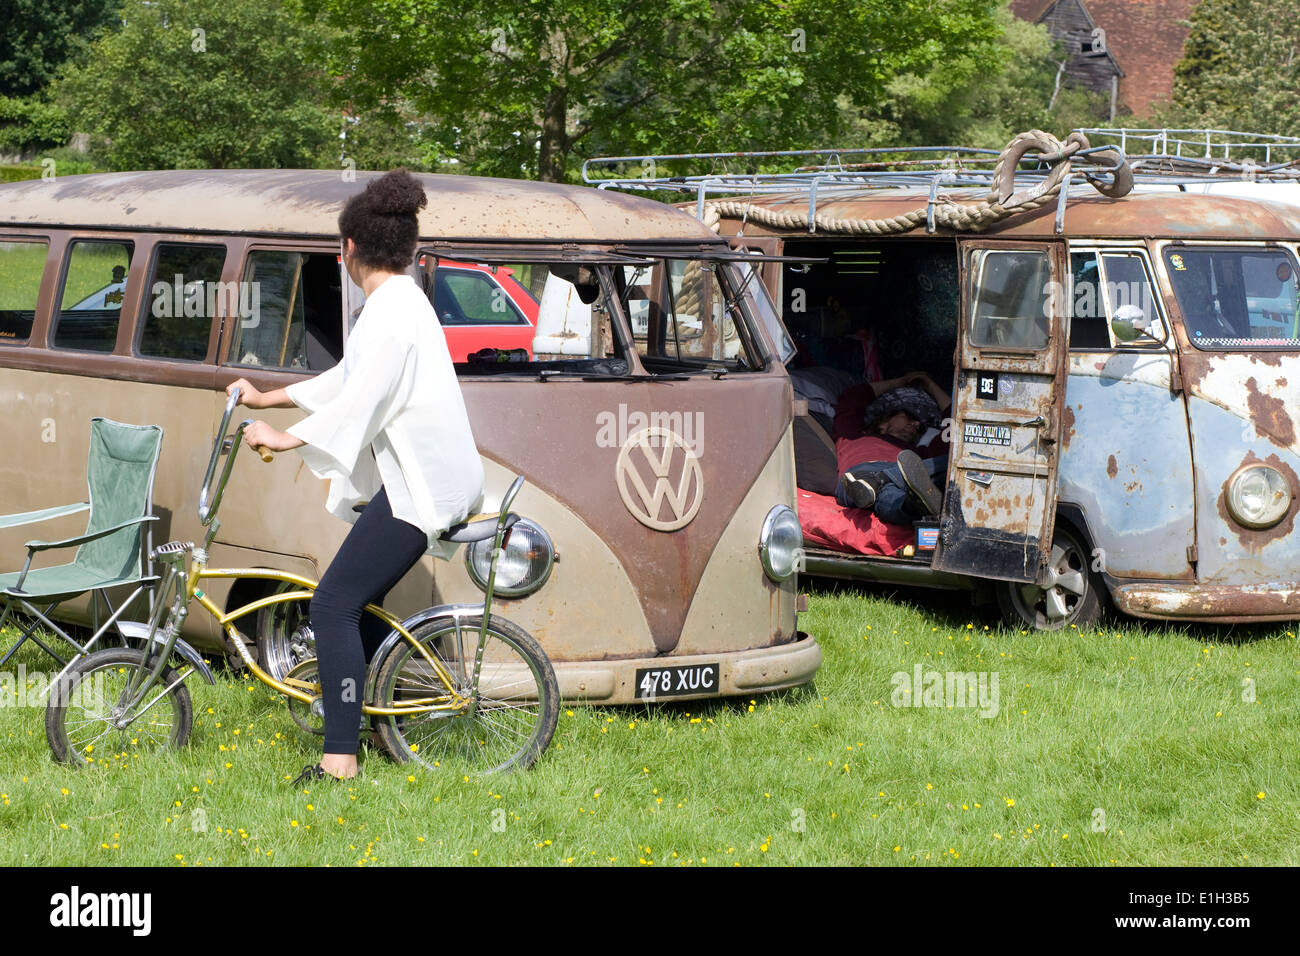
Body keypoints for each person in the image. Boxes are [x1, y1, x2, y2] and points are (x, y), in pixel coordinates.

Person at [227, 170, 485, 783]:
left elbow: (363, 397)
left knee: (333, 605)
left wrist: (286, 437)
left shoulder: (391, 313)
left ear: (347, 251)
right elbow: (349, 381)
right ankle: (366, 711)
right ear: (408, 250)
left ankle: (340, 760)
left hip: (423, 489)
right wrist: (266, 400)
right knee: (355, 601)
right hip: (426, 480)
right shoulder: (401, 300)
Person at [834, 375, 950, 526]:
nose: (916, 424)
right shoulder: (853, 433)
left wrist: (930, 383)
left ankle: (894, 492)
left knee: (951, 463)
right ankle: (908, 503)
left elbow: (955, 424)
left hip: (898, 477)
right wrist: (899, 381)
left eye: (921, 427)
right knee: (885, 492)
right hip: (859, 475)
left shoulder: (918, 453)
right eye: (910, 416)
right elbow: (852, 398)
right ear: (884, 421)